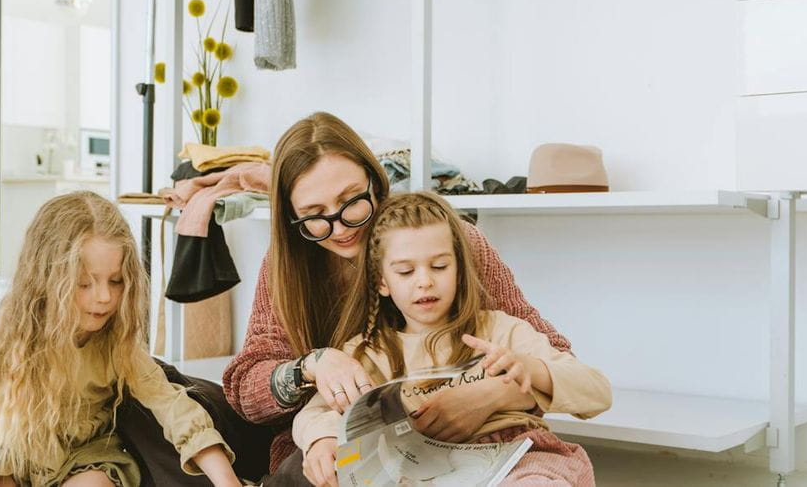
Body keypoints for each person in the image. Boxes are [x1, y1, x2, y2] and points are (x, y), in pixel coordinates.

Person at [222, 112, 575, 482]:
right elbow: (246, 391)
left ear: (376, 181)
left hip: (465, 445)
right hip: (337, 447)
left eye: (350, 201)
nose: (340, 226)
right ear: (291, 218)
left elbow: (554, 354)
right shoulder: (287, 266)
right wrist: (312, 366)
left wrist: (492, 396)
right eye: (314, 215)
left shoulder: (450, 241)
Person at [293, 191, 612, 486]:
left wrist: (530, 369)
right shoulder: (367, 352)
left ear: (460, 271)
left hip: (516, 458)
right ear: (382, 282)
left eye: (440, 266)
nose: (425, 282)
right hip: (420, 470)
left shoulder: (501, 330)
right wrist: (321, 439)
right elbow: (316, 411)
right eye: (405, 272)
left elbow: (597, 391)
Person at [0, 192, 241, 487]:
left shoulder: (116, 343)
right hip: (11, 455)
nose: (104, 297)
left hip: (83, 457)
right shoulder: (13, 338)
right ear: (47, 280)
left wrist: (227, 482)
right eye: (84, 283)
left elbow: (173, 406)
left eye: (115, 281)